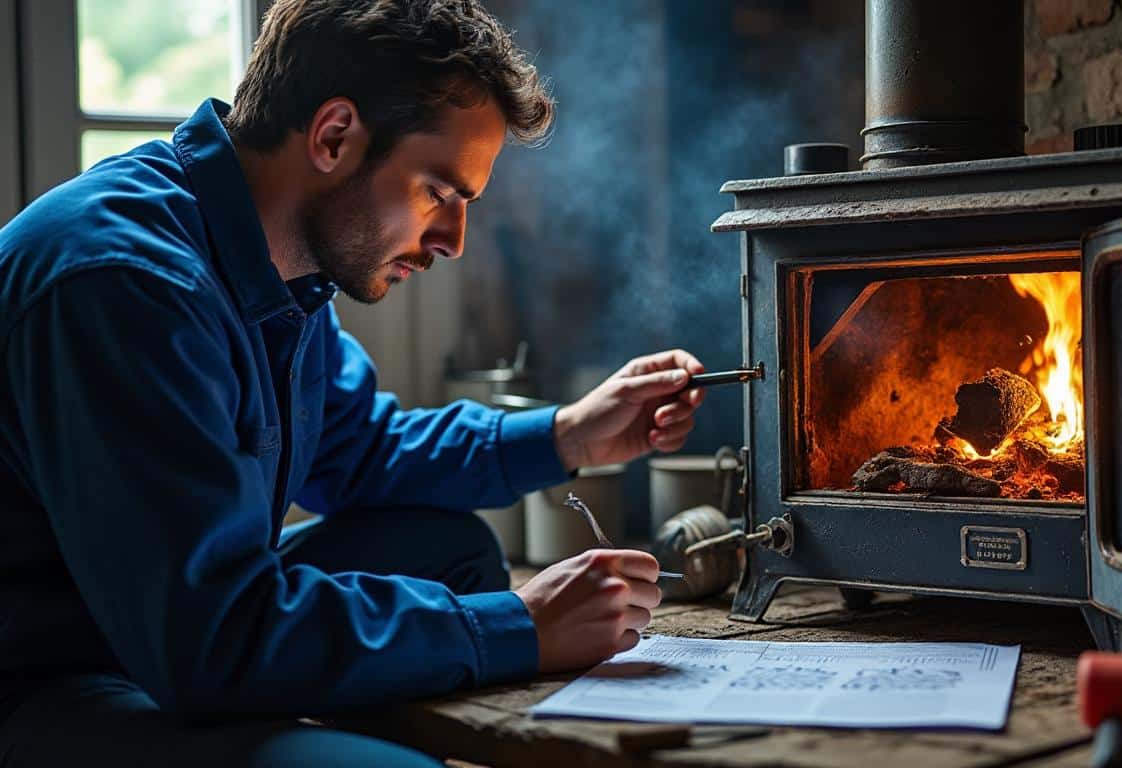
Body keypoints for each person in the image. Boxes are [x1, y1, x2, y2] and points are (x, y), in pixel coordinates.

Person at [0, 1, 707, 765]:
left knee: (447, 549)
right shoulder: (126, 284)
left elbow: (360, 451)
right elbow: (209, 637)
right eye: (440, 192)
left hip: (162, 628)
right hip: (59, 676)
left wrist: (569, 432)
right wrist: (513, 628)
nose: (454, 241)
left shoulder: (278, 269)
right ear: (334, 136)